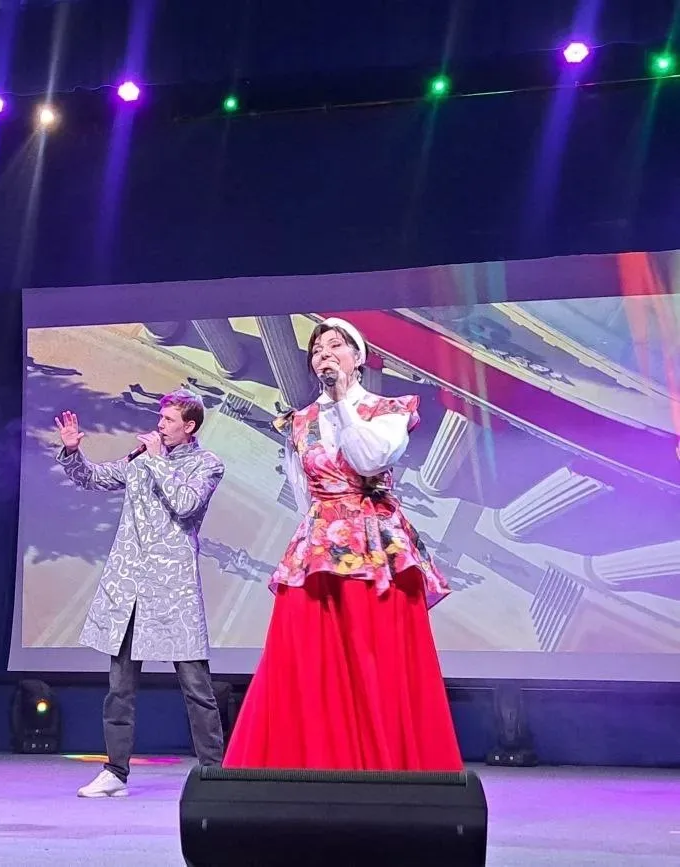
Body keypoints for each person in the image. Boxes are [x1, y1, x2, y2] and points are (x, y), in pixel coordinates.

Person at [224, 317, 462, 772]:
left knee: (376, 655)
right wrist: (318, 538)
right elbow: (304, 495)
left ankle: (387, 768)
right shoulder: (299, 422)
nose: (324, 354)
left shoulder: (387, 410)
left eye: (335, 346)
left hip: (377, 548)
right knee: (309, 657)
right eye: (317, 350)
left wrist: (341, 404)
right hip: (321, 547)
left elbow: (369, 459)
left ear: (358, 357)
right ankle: (309, 764)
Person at [55, 388, 226, 798]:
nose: (159, 425)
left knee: (197, 688)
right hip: (130, 586)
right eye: (160, 418)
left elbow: (186, 503)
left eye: (168, 420)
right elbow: (94, 478)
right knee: (120, 688)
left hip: (173, 590)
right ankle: (115, 772)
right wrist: (73, 452)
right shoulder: (140, 460)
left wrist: (157, 461)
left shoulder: (207, 464)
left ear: (189, 426)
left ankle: (215, 775)